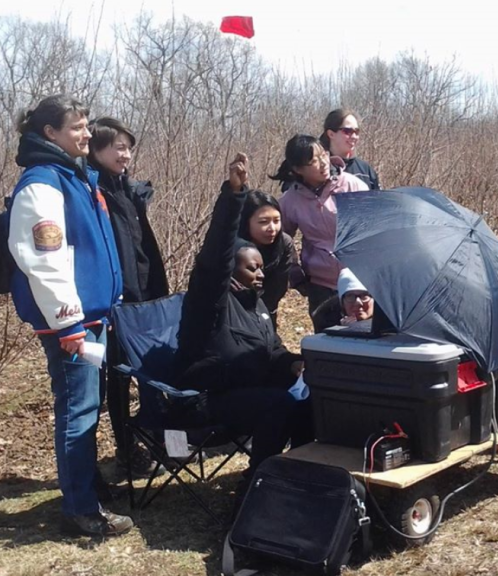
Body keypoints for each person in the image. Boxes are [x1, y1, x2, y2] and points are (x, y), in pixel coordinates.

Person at [7, 95, 133, 536]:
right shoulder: (42, 184)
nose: (86, 134)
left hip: (95, 317)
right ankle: (81, 509)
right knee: (77, 413)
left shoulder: (77, 178)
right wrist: (69, 326)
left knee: (86, 409)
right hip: (69, 324)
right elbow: (45, 260)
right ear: (50, 134)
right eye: (77, 127)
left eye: (85, 125)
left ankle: (87, 488)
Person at [175, 153, 313, 493]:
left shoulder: (257, 304)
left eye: (260, 266)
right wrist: (234, 196)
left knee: (311, 399)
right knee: (278, 404)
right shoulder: (211, 301)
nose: (260, 273)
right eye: (251, 268)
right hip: (208, 396)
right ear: (230, 272)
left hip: (248, 388)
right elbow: (215, 256)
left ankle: (298, 469)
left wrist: (297, 364)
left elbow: (273, 350)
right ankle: (259, 478)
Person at [87, 116, 169, 479]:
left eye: (128, 147)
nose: (126, 155)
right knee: (119, 380)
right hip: (114, 305)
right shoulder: (91, 193)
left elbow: (142, 249)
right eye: (118, 147)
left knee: (152, 372)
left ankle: (157, 440)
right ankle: (126, 448)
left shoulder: (129, 191)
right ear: (96, 149)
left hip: (144, 301)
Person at [270, 135, 368, 329]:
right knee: (328, 343)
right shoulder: (291, 200)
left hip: (359, 283)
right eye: (313, 161)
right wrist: (294, 271)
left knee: (364, 341)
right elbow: (280, 239)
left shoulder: (352, 186)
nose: (323, 162)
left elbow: (374, 229)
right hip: (321, 285)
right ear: (298, 169)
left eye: (323, 154)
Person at [238, 190, 296, 328]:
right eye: (263, 222)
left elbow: (277, 288)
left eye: (276, 221)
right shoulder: (231, 246)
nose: (272, 228)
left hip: (266, 311)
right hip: (232, 312)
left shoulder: (284, 243)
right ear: (246, 222)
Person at [319, 109, 380, 190]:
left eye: (357, 131)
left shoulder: (365, 170)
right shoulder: (320, 169)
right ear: (331, 134)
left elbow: (377, 201)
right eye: (347, 131)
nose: (354, 136)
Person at [312, 268, 375, 332]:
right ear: (342, 302)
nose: (358, 302)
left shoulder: (385, 317)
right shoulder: (326, 322)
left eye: (364, 296)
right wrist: (343, 332)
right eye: (350, 296)